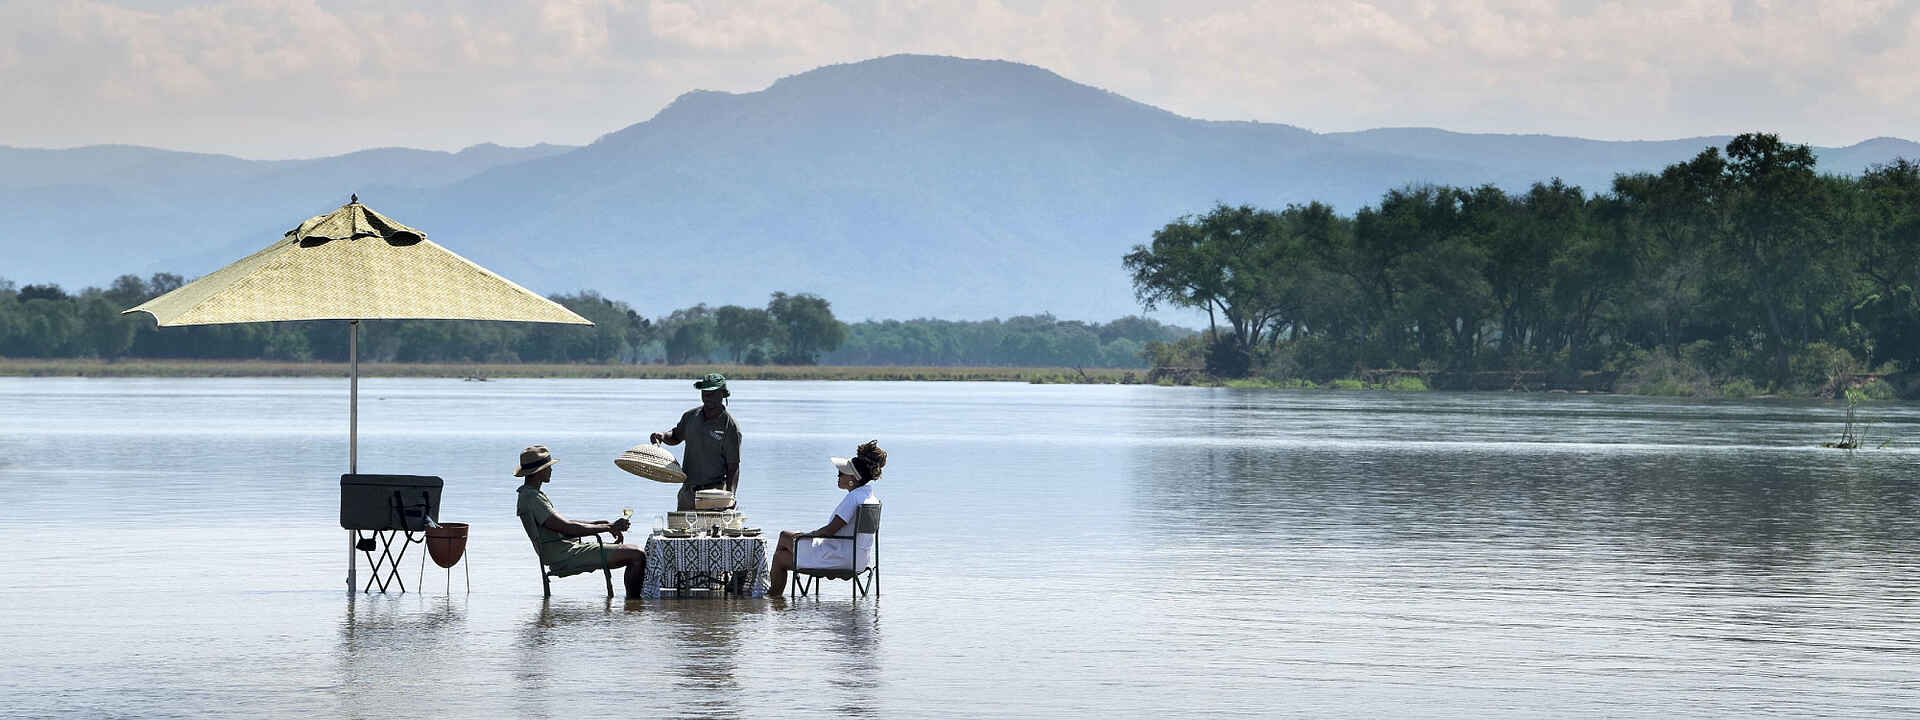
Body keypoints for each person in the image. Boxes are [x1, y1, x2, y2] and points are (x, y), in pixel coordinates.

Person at [513, 445, 647, 595]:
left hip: (563, 550)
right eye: (548, 467)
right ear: (539, 471)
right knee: (637, 554)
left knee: (635, 553)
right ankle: (634, 609)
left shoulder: (530, 494)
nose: (551, 470)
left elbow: (562, 524)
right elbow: (567, 528)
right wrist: (608, 527)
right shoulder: (532, 498)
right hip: (565, 555)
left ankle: (632, 607)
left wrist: (601, 524)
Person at [768, 440, 885, 597]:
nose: (838, 474)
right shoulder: (870, 498)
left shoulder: (853, 499)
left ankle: (773, 598)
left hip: (838, 557)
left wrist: (808, 535)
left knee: (784, 537)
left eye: (842, 473)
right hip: (859, 559)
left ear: (853, 479)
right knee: (782, 556)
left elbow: (830, 530)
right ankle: (776, 602)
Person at [650, 373, 742, 511]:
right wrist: (663, 436)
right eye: (705, 393)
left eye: (712, 393)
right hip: (688, 492)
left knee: (712, 532)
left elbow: (733, 467)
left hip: (714, 493)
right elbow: (675, 436)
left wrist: (730, 496)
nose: (707, 397)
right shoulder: (690, 417)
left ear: (722, 394)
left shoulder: (730, 427)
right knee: (681, 531)